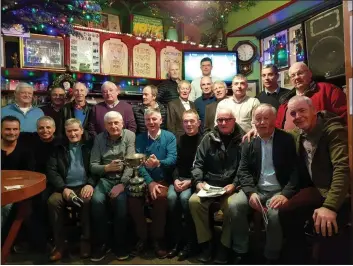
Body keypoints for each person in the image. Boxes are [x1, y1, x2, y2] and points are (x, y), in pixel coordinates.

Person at [278, 96, 350, 264]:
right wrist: (258, 130)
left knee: (327, 235)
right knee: (286, 212)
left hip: (337, 192)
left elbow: (342, 170)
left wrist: (329, 206)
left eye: (302, 111)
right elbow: (279, 135)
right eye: (293, 113)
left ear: (314, 110)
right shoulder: (299, 133)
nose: (297, 117)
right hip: (317, 188)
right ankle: (299, 255)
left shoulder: (333, 131)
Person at [230, 104, 299, 264]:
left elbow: (295, 172)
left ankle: (271, 255)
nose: (261, 122)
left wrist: (285, 194)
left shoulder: (287, 140)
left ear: (275, 120)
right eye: (258, 119)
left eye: (266, 118)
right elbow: (243, 170)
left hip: (278, 190)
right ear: (253, 121)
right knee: (235, 205)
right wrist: (250, 192)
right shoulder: (248, 141)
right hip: (256, 188)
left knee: (274, 214)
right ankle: (241, 250)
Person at [189, 107, 244, 263]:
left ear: (234, 121)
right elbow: (197, 164)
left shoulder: (243, 139)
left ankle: (224, 246)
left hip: (232, 187)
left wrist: (234, 184)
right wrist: (198, 182)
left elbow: (245, 168)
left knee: (233, 207)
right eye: (220, 120)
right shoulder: (208, 138)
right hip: (209, 185)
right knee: (193, 202)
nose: (223, 123)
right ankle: (206, 244)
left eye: (227, 119)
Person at [129, 108, 177, 259]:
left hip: (163, 179)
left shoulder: (169, 137)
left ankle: (157, 239)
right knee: (132, 199)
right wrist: (149, 182)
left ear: (161, 120)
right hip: (143, 180)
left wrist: (158, 163)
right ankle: (143, 238)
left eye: (154, 119)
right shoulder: (140, 138)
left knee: (161, 199)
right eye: (148, 119)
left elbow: (172, 159)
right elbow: (138, 164)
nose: (151, 122)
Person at [47, 118, 96, 261]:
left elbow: (96, 166)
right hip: (64, 187)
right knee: (53, 201)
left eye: (76, 130)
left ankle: (85, 241)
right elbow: (52, 170)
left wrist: (90, 184)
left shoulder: (90, 146)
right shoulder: (58, 148)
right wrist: (63, 188)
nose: (73, 133)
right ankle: (60, 245)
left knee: (87, 200)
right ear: (65, 133)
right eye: (69, 131)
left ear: (81, 131)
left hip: (84, 185)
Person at [90, 111, 135, 262]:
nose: (114, 126)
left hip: (124, 179)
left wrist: (122, 184)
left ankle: (120, 244)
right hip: (105, 179)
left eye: (116, 123)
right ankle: (103, 243)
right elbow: (92, 166)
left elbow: (131, 163)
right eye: (110, 123)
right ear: (105, 125)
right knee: (96, 201)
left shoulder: (129, 136)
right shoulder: (99, 138)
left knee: (121, 204)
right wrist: (107, 168)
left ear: (122, 123)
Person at [166, 109, 201, 260]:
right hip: (179, 179)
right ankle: (176, 241)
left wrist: (190, 182)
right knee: (171, 199)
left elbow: (204, 167)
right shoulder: (179, 140)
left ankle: (191, 243)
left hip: (195, 181)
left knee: (185, 200)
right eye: (186, 121)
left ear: (198, 123)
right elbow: (174, 164)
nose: (189, 124)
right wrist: (175, 180)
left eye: (192, 121)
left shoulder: (204, 140)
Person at [276, 62, 347, 130]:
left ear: (310, 74)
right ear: (291, 80)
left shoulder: (328, 90)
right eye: (293, 75)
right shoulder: (284, 103)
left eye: (300, 73)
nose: (297, 77)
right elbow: (278, 129)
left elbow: (346, 118)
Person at [1, 116, 34, 239]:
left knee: (5, 206)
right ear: (1, 130)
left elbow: (29, 175)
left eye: (15, 129)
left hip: (16, 192)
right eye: (7, 129)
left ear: (19, 130)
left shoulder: (26, 150)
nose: (11, 133)